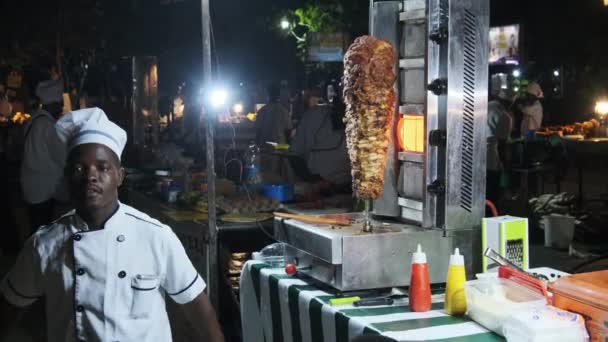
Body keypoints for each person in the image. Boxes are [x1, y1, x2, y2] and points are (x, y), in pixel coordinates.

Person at [0, 108, 224, 341]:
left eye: (103, 167)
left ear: (120, 176)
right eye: (79, 168)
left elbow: (200, 311)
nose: (91, 176)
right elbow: (9, 308)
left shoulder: (155, 237)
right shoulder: (45, 244)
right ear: (67, 176)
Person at [20, 78, 69, 233]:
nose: (62, 107)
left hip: (31, 187)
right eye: (60, 103)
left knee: (36, 228)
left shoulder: (33, 120)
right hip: (43, 191)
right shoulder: (47, 126)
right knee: (43, 232)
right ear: (53, 104)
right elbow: (62, 157)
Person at [290, 87, 351, 196]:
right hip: (316, 191)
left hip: (349, 191)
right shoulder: (312, 116)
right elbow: (294, 156)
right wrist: (314, 180)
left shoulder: (361, 121)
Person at [486, 79, 514, 204]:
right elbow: (502, 144)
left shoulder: (483, 106)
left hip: (472, 156)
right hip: (491, 160)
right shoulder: (504, 116)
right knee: (492, 196)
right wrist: (505, 165)